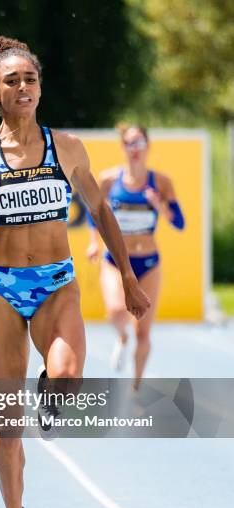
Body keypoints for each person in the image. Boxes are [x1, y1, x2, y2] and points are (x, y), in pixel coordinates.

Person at [0, 37, 150, 508]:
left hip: (57, 284)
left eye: (30, 79)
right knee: (7, 425)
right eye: (12, 82)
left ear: (39, 87)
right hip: (4, 290)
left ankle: (48, 393)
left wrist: (126, 276)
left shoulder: (67, 147)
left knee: (69, 380)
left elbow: (101, 211)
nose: (24, 88)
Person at [86, 123, 185, 390]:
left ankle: (136, 387)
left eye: (140, 142)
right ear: (123, 147)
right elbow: (94, 213)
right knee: (117, 311)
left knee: (143, 331)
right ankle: (121, 338)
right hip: (116, 261)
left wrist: (159, 206)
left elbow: (179, 223)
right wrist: (94, 243)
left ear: (148, 146)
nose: (135, 148)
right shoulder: (108, 179)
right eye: (130, 143)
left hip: (149, 263)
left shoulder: (161, 182)